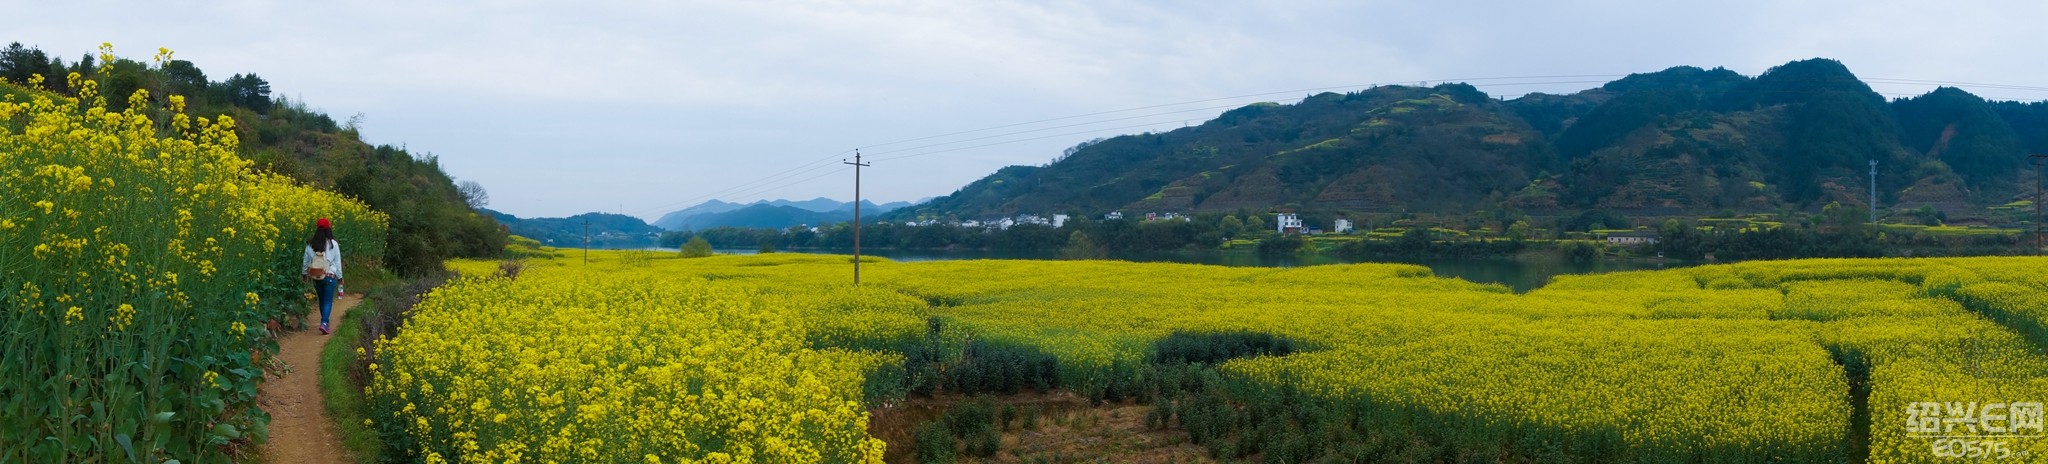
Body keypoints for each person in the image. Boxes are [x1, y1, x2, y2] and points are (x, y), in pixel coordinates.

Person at [303, 218, 343, 335]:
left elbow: (306, 260)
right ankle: (324, 322)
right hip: (330, 275)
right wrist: (340, 277)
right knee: (328, 301)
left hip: (316, 276)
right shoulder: (333, 244)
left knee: (322, 300)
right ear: (328, 229)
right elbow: (337, 262)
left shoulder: (311, 244)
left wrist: (304, 273)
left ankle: (324, 322)